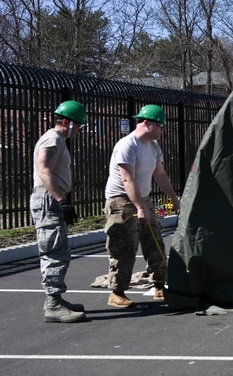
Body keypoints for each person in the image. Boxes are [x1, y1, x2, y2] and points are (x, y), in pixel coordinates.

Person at [102, 104, 180, 308]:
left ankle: (160, 285)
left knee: (154, 241)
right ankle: (116, 292)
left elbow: (160, 174)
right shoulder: (128, 145)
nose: (162, 130)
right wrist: (139, 208)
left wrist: (173, 197)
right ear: (146, 123)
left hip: (142, 199)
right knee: (125, 246)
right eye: (160, 126)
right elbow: (127, 180)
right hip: (121, 200)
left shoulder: (153, 146)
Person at [32, 100, 89, 323]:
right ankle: (53, 303)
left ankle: (55, 299)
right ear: (66, 122)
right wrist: (60, 199)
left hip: (51, 199)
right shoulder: (53, 138)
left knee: (60, 250)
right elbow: (44, 170)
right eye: (78, 125)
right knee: (54, 250)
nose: (80, 130)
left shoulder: (59, 140)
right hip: (48, 200)